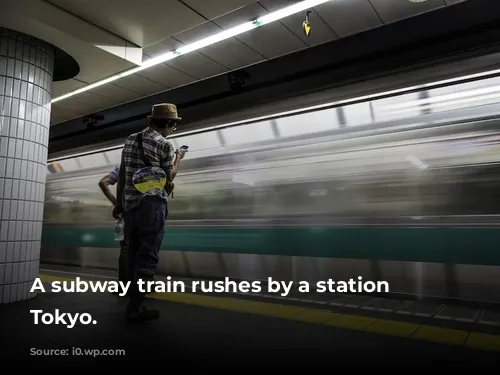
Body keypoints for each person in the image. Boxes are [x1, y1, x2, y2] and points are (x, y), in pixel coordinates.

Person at [113, 103, 186, 323]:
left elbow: (124, 173)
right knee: (148, 257)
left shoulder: (130, 139)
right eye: (173, 125)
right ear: (169, 123)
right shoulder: (165, 144)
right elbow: (168, 177)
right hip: (152, 205)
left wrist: (119, 203)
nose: (173, 130)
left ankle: (132, 303)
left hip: (130, 206)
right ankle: (136, 308)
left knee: (133, 256)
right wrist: (178, 158)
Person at [98, 165, 129, 296]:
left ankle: (122, 286)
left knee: (125, 251)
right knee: (142, 250)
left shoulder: (121, 167)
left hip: (122, 218)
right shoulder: (145, 167)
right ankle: (143, 284)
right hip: (140, 217)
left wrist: (116, 204)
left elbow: (102, 183)